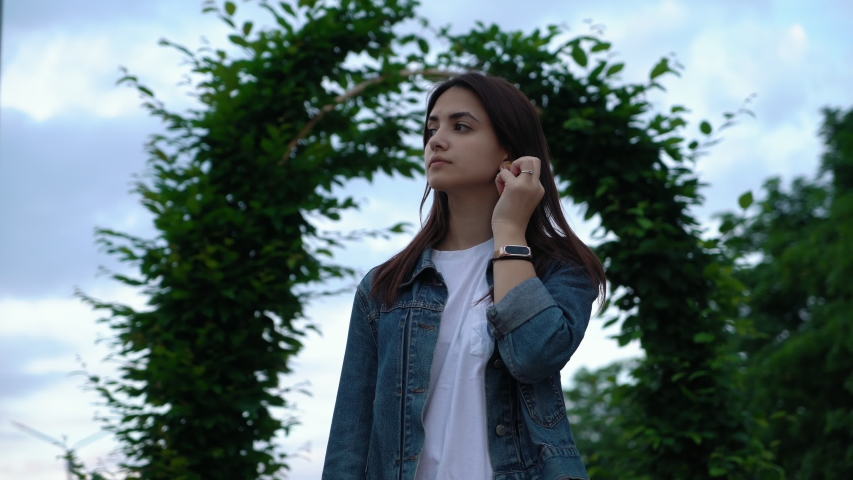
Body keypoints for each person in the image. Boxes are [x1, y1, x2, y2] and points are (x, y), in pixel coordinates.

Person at [322, 72, 606, 480]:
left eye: (461, 126)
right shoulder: (384, 287)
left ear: (509, 149)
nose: (435, 140)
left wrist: (509, 231)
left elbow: (533, 356)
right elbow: (350, 441)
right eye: (431, 128)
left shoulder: (562, 270)